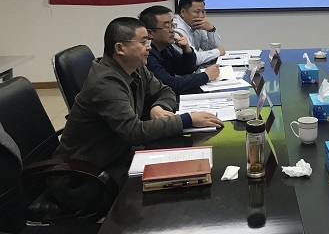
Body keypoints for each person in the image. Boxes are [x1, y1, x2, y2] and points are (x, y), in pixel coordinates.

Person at [49, 17, 223, 211]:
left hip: (117, 155)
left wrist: (157, 107)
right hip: (84, 178)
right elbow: (134, 132)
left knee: (185, 172)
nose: (149, 47)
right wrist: (187, 120)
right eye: (143, 42)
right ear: (120, 48)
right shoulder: (105, 83)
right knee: (175, 195)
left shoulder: (136, 67)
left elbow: (165, 91)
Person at [140, 5, 220, 95]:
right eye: (167, 26)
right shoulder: (147, 55)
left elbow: (185, 70)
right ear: (150, 33)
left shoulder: (166, 47)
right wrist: (205, 76)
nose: (172, 30)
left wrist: (187, 51)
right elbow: (171, 85)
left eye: (172, 25)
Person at [174, 0, 226, 67]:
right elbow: (194, 59)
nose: (201, 16)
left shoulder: (196, 25)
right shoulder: (177, 29)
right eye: (197, 12)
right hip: (181, 72)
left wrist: (211, 30)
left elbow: (212, 48)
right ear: (183, 12)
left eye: (203, 12)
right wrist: (218, 52)